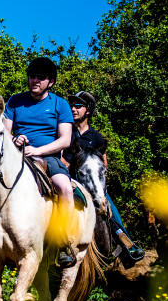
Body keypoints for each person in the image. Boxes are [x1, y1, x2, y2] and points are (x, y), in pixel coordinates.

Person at [0, 57, 77, 268]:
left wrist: (38, 150)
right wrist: (15, 140)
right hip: (17, 157)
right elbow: (4, 132)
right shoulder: (14, 101)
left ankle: (65, 242)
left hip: (49, 157)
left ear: (51, 82)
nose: (35, 80)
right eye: (32, 76)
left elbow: (65, 139)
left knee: (65, 188)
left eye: (41, 77)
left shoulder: (59, 104)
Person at [62, 91, 145, 263]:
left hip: (92, 183)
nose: (73, 109)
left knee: (109, 208)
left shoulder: (97, 137)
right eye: (72, 105)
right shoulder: (66, 131)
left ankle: (127, 245)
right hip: (71, 182)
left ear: (88, 110)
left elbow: (104, 163)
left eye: (78, 106)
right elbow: (61, 157)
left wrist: (94, 173)